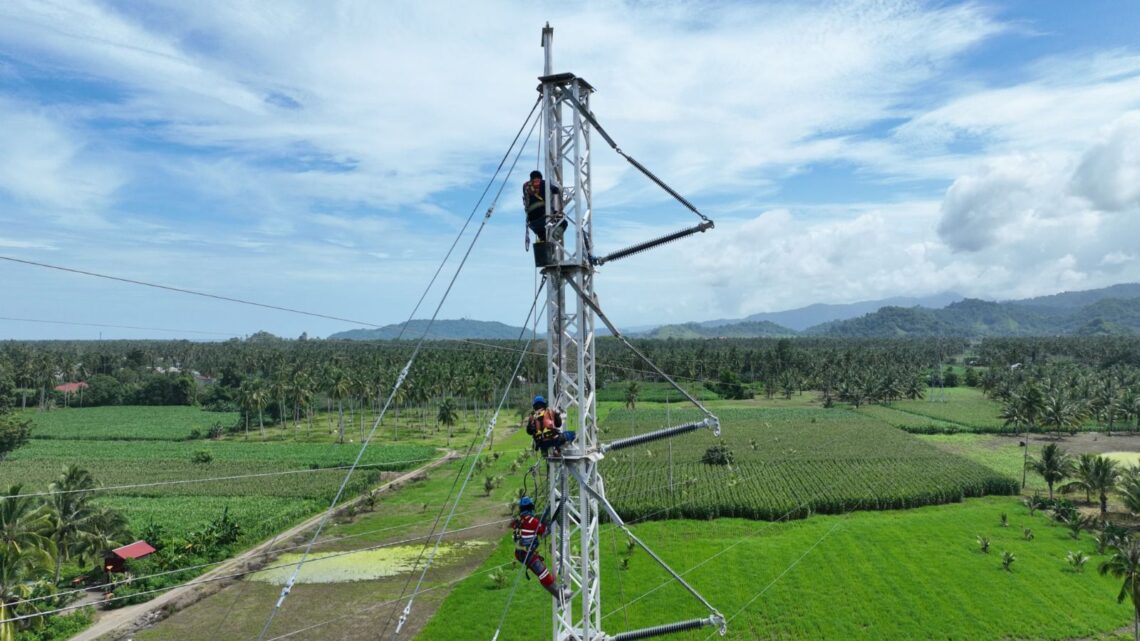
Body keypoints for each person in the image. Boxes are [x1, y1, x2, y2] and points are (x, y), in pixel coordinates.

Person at [511, 496, 570, 600]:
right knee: (543, 574)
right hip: (527, 554)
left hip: (519, 552)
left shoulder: (518, 520)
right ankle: (560, 595)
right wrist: (549, 525)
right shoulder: (532, 521)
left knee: (542, 574)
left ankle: (558, 593)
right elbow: (544, 532)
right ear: (530, 507)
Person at [523, 170, 567, 243]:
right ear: (540, 177)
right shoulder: (544, 183)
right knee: (563, 222)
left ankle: (543, 241)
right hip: (543, 216)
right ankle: (553, 238)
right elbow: (556, 190)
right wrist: (556, 211)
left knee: (542, 235)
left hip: (532, 221)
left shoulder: (525, 186)